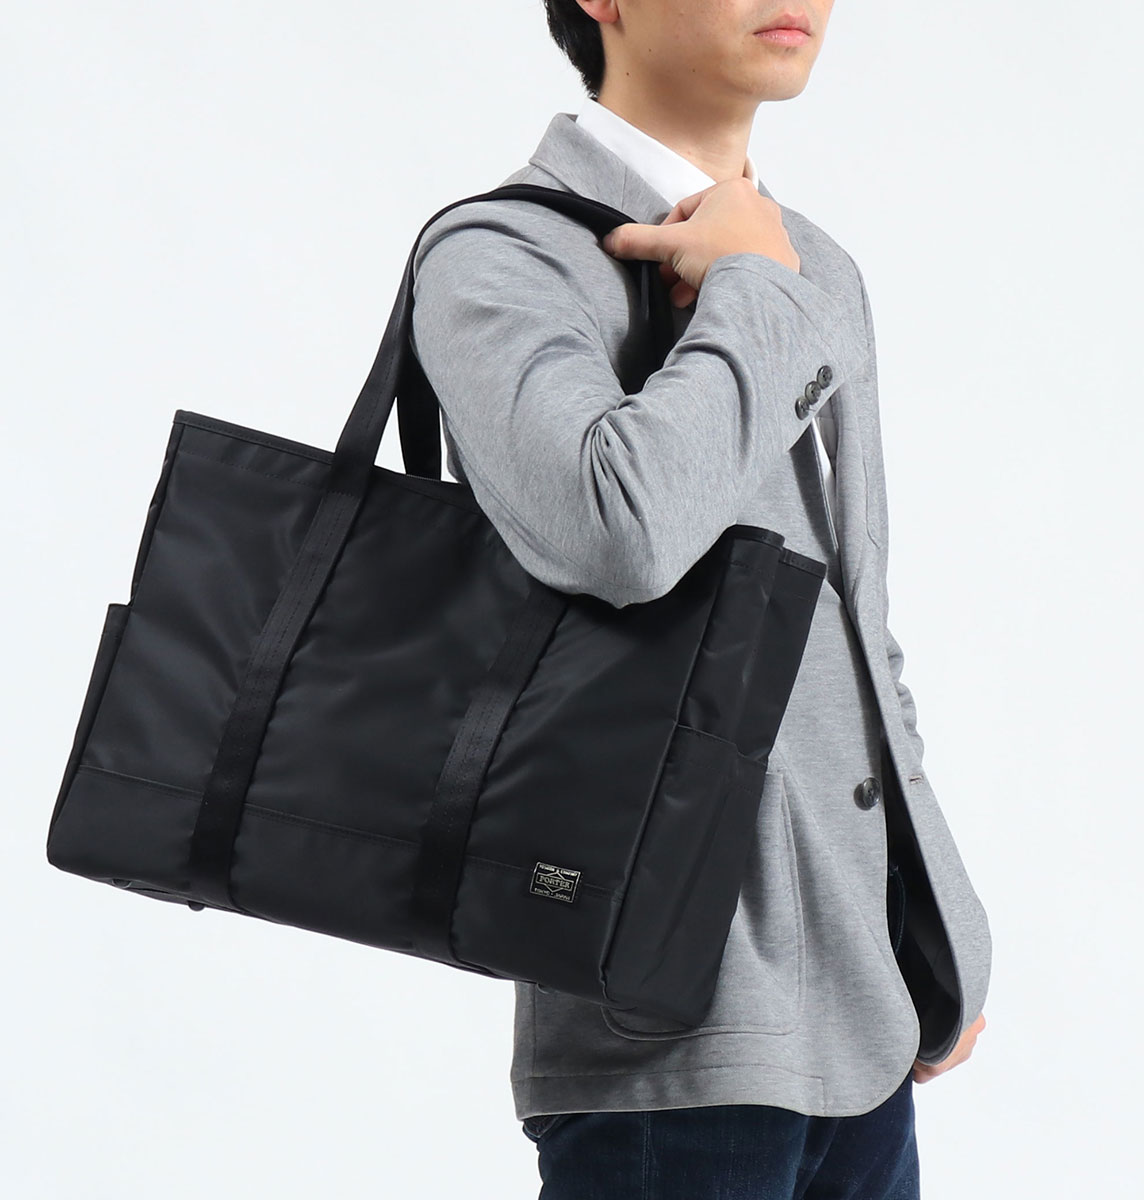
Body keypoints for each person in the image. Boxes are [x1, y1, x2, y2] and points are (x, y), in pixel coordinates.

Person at [409, 2, 991, 1196]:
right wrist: (753, 286)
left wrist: (934, 930)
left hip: (864, 1020)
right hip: (665, 1033)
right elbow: (618, 533)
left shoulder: (814, 265)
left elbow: (855, 625)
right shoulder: (499, 253)